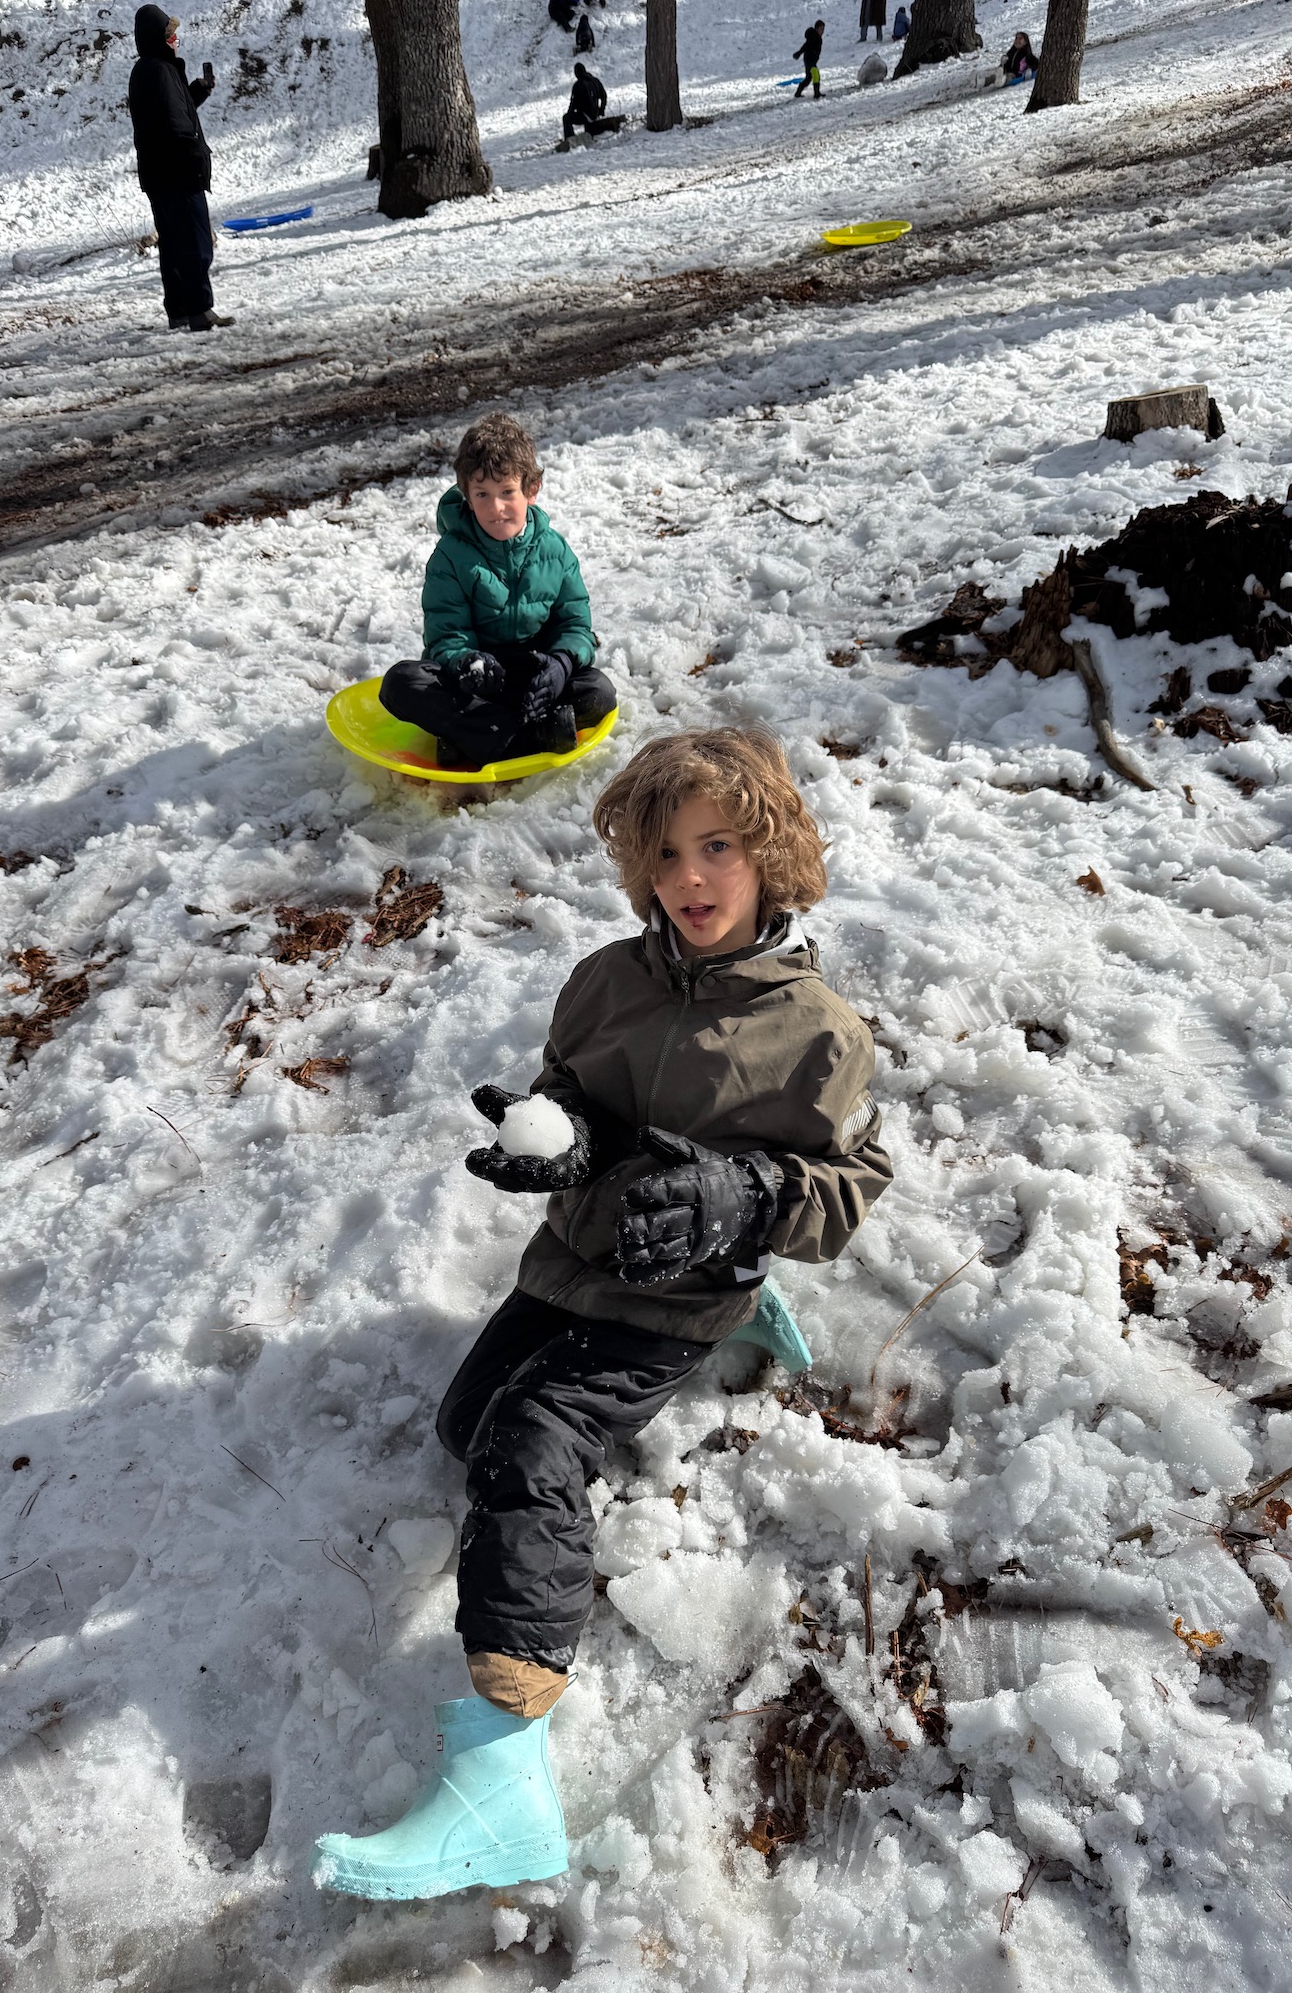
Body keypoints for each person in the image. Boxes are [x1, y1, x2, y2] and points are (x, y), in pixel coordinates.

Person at [312, 726, 893, 1901]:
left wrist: (747, 1196)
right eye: (666, 852)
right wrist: (558, 1135)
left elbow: (850, 1186)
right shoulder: (605, 980)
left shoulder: (816, 1031)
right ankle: (740, 1317)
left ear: (769, 854)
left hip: (671, 1299)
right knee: (469, 1427)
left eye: (719, 845)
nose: (691, 876)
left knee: (535, 1441)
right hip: (574, 1260)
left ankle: (506, 1772)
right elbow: (571, 1088)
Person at [377, 413, 616, 769]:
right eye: (482, 495)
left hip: (533, 677)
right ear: (467, 498)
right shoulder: (450, 557)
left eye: (507, 492)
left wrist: (561, 664)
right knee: (400, 683)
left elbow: (575, 624)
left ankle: (472, 738)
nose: (496, 508)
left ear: (531, 490)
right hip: (476, 683)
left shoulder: (555, 550)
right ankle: (529, 736)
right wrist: (465, 662)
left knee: (599, 691)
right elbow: (446, 635)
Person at [127, 5, 231, 331]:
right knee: (195, 243)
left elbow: (172, 111)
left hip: (160, 175)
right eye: (171, 35)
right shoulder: (159, 71)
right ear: (159, 39)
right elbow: (174, 125)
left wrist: (197, 92)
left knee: (172, 246)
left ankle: (180, 311)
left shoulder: (151, 70)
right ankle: (200, 310)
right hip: (178, 172)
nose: (176, 40)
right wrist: (193, 159)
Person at [561, 62, 608, 144]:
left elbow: (573, 104)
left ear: (576, 73)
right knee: (587, 112)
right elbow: (604, 96)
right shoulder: (595, 81)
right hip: (596, 115)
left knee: (566, 118)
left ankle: (570, 140)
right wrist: (601, 110)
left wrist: (569, 113)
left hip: (585, 116)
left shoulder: (578, 85)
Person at [793, 17, 825, 98]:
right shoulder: (813, 37)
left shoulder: (818, 38)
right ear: (816, 28)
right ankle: (817, 93)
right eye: (821, 29)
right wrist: (799, 53)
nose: (822, 31)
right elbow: (805, 46)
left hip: (813, 60)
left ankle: (798, 93)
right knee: (815, 73)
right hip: (809, 60)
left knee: (808, 78)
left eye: (823, 29)